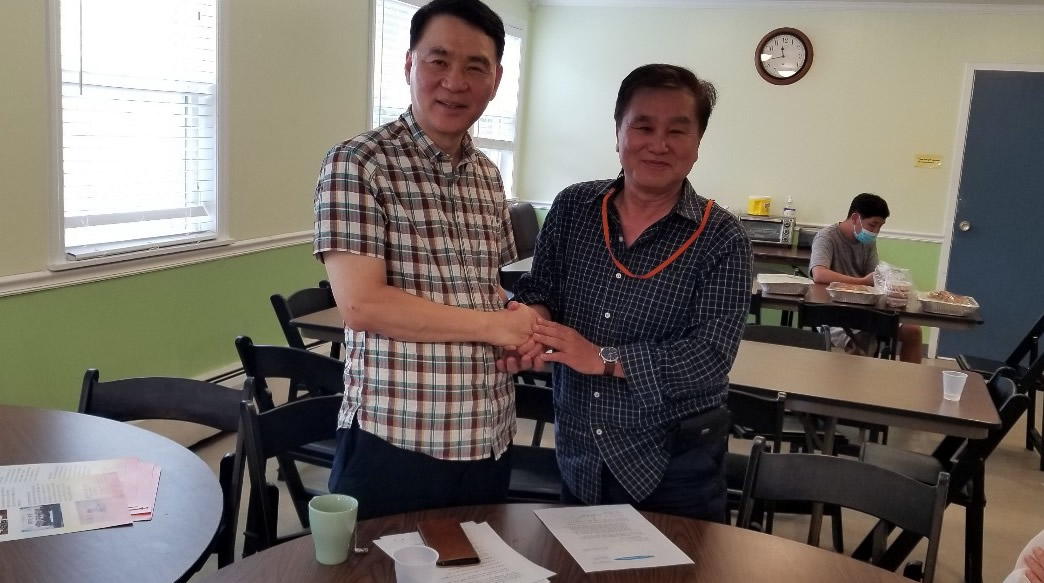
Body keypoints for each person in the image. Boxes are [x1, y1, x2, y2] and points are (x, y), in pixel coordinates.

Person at [313, 0, 540, 519]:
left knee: (480, 562)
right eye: (438, 60)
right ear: (409, 64)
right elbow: (363, 306)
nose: (454, 82)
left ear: (496, 80)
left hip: (489, 434)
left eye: (475, 66)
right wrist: (493, 327)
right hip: (397, 440)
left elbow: (486, 287)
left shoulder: (487, 175)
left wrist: (517, 324)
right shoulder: (359, 163)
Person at [505, 64, 752, 522]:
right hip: (580, 453)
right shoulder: (573, 207)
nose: (659, 144)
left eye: (677, 130)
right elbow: (540, 290)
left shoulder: (722, 237)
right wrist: (532, 328)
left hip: (674, 465)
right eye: (643, 126)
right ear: (617, 133)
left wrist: (601, 357)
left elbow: (709, 358)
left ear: (698, 143)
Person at [808, 193, 923, 363]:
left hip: (865, 306)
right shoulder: (827, 237)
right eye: (873, 225)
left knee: (913, 331)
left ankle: (907, 379)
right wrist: (862, 282)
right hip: (833, 308)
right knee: (859, 342)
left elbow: (875, 276)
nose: (875, 232)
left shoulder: (867, 241)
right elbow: (819, 274)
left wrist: (892, 287)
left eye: (880, 226)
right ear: (855, 218)